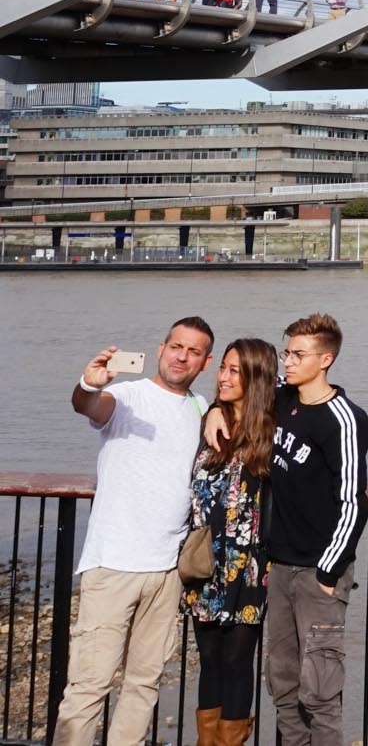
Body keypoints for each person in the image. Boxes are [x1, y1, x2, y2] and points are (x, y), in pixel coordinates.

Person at [54, 319, 215, 746]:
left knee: (144, 686)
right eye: (176, 346)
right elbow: (89, 407)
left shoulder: (202, 408)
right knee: (89, 685)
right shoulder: (126, 396)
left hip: (167, 573)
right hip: (113, 566)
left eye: (194, 351)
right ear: (160, 349)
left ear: (206, 361)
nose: (182, 356)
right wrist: (88, 386)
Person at [264, 312, 368, 746]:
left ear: (325, 359)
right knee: (283, 684)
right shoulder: (281, 402)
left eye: (297, 354)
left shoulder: (344, 419)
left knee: (321, 690)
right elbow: (239, 394)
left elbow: (352, 502)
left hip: (317, 573)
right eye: (287, 352)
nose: (287, 361)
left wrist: (328, 573)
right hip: (280, 567)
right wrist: (216, 409)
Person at [183, 338, 277, 746]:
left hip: (250, 567)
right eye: (222, 367)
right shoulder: (211, 424)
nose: (222, 376)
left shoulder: (274, 431)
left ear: (255, 377)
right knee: (209, 662)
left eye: (234, 370)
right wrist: (215, 412)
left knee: (238, 662)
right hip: (205, 563)